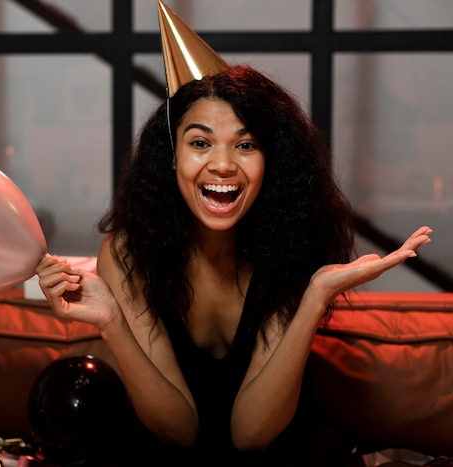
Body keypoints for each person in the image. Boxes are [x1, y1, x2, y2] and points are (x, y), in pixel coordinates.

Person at [35, 3, 432, 465]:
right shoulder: (127, 254)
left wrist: (316, 295)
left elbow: (251, 437)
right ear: (171, 157)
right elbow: (178, 432)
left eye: (245, 145)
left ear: (271, 162)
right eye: (200, 142)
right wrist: (112, 325)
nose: (222, 164)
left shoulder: (296, 247)